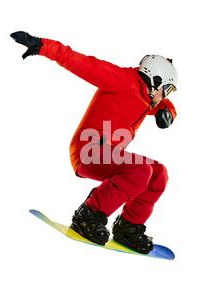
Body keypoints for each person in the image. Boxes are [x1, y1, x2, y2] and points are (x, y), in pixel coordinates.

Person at [10, 31, 178, 254]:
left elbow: (165, 106)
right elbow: (80, 62)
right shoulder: (121, 80)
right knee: (140, 171)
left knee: (158, 174)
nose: (165, 96)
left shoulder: (146, 98)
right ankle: (88, 215)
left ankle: (128, 228)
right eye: (166, 90)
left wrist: (167, 111)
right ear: (155, 80)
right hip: (88, 150)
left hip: (108, 153)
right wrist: (42, 46)